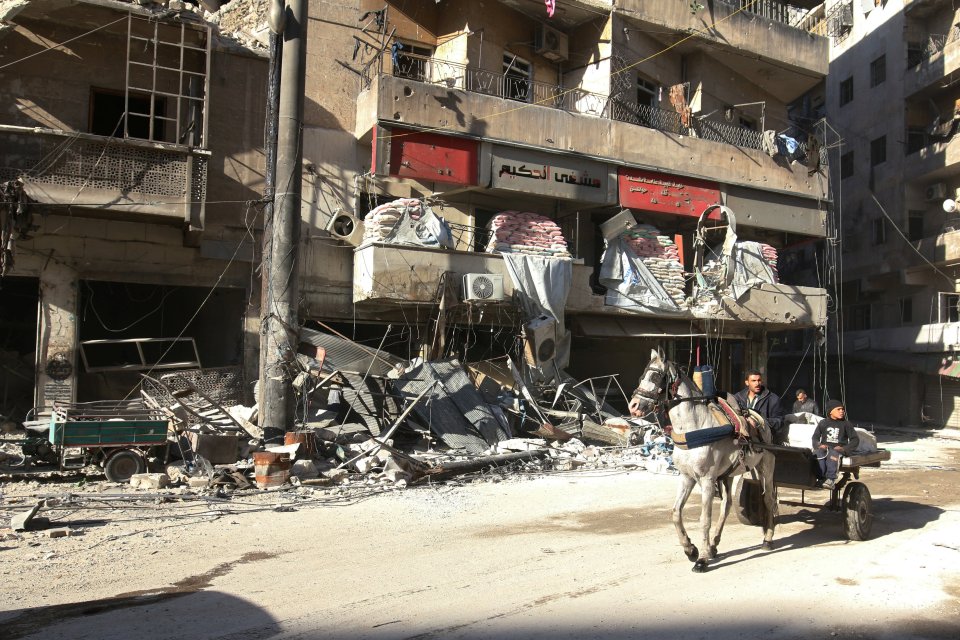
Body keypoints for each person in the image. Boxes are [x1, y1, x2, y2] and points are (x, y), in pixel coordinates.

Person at [811, 399, 860, 489]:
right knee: (819, 453)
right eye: (838, 409)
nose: (842, 411)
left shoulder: (846, 424)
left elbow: (855, 440)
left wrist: (844, 449)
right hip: (826, 449)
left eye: (843, 409)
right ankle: (820, 478)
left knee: (833, 454)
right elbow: (815, 437)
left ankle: (831, 479)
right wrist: (818, 445)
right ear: (830, 411)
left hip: (838, 450)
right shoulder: (823, 423)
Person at [733, 369, 786, 445]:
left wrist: (759, 422)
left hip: (763, 443)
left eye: (759, 380)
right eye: (753, 381)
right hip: (741, 441)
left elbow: (779, 422)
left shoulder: (773, 399)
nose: (757, 383)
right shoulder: (737, 397)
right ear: (747, 382)